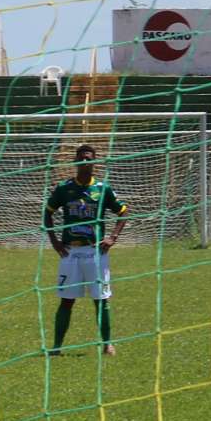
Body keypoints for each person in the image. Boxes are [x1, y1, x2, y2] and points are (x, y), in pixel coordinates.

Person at [45, 142, 127, 355]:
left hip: (95, 253)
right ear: (75, 161)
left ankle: (107, 344)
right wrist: (54, 241)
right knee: (66, 300)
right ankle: (56, 347)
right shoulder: (64, 188)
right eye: (81, 158)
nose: (85, 162)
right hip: (70, 252)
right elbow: (48, 213)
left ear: (95, 162)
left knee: (101, 299)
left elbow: (123, 213)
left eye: (89, 158)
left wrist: (113, 237)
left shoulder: (102, 189)